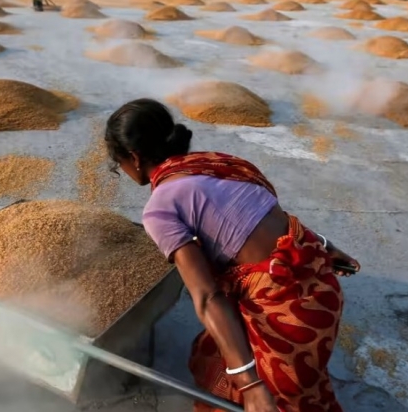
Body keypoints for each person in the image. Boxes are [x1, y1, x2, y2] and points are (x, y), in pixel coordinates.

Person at [104, 99, 361, 412]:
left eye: (118, 163)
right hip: (320, 289)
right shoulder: (222, 165)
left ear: (134, 157)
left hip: (288, 320)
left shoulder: (160, 208)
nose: (124, 170)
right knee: (213, 359)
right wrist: (324, 245)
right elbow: (270, 218)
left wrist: (251, 384)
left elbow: (208, 297)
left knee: (278, 401)